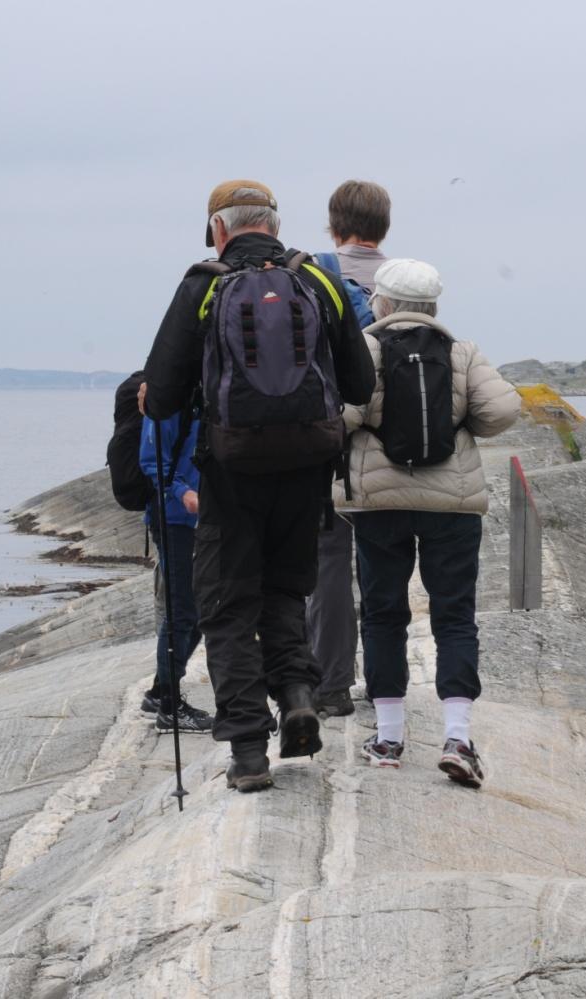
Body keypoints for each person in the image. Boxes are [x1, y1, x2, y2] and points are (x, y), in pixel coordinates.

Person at [143, 179, 374, 794]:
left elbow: (162, 396)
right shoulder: (318, 281)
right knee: (285, 592)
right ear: (273, 223)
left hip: (231, 470)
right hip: (307, 468)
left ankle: (247, 749)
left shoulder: (203, 283)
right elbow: (358, 383)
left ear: (219, 228)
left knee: (226, 606)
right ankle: (297, 694)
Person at [339, 258, 519, 788]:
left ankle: (390, 736)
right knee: (455, 616)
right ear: (434, 306)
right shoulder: (462, 353)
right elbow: (502, 411)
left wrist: (372, 425)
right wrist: (456, 421)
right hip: (453, 502)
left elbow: (340, 413)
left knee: (382, 613)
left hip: (379, 504)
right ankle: (457, 737)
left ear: (385, 304)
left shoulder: (366, 351)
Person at [306, 180, 392, 719]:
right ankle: (387, 687)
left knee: (328, 565)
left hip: (329, 440)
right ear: (385, 227)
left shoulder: (313, 273)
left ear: (333, 225)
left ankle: (332, 685)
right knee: (384, 566)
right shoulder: (405, 280)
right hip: (394, 445)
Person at [139, 405, 213, 734]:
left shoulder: (209, 390)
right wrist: (183, 492)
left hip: (199, 517)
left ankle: (160, 690)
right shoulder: (168, 401)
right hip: (172, 516)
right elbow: (151, 461)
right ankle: (169, 705)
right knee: (182, 609)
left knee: (195, 610)